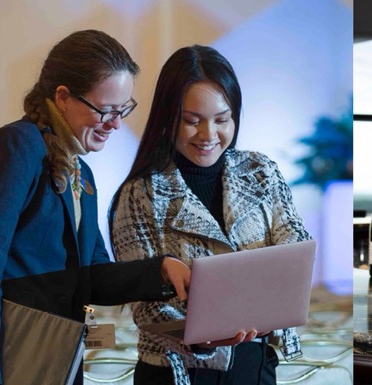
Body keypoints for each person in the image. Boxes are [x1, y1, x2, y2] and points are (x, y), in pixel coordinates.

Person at [0, 30, 191, 385]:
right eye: (106, 110)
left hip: (56, 354)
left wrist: (161, 270)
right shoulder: (17, 146)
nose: (116, 124)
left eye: (123, 110)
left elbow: (92, 276)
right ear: (62, 97)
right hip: (11, 356)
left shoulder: (84, 172)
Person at [110, 45, 310, 385]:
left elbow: (294, 240)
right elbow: (146, 307)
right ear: (167, 118)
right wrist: (200, 336)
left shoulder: (259, 171)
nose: (208, 135)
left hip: (255, 362)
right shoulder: (141, 193)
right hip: (178, 371)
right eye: (192, 121)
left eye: (222, 120)